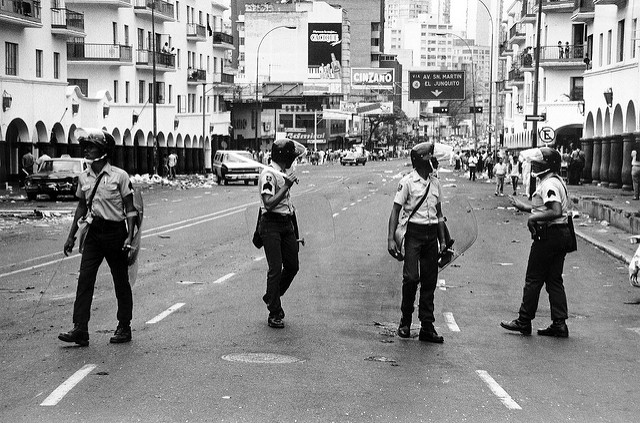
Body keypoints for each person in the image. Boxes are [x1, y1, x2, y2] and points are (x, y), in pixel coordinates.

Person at [59, 128, 137, 346]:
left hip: (115, 233)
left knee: (120, 281)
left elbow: (130, 210)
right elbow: (81, 207)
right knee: (85, 279)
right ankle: (80, 329)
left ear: (103, 150)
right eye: (85, 146)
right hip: (93, 234)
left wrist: (129, 238)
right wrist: (71, 236)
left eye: (91, 146)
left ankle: (124, 326)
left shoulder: (119, 176)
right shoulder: (83, 177)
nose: (87, 150)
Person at [501, 147, 573, 338]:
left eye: (539, 162)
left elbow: (555, 210)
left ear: (548, 165)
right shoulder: (556, 181)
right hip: (561, 234)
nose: (535, 165)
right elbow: (545, 208)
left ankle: (524, 320)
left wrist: (532, 219)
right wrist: (525, 207)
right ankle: (559, 323)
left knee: (533, 278)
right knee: (554, 280)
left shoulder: (549, 184)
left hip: (548, 236)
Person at [387, 142, 447, 343]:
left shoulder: (435, 183)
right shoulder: (407, 182)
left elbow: (439, 215)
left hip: (431, 236)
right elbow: (396, 210)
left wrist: (443, 240)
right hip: (413, 233)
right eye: (430, 160)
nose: (434, 163)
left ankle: (427, 326)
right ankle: (405, 321)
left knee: (430, 281)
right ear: (421, 163)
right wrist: (390, 239)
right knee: (411, 278)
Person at [257, 139, 305, 329]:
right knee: (276, 268)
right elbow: (268, 203)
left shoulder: (282, 173)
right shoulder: (269, 175)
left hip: (286, 223)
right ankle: (274, 312)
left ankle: (272, 295)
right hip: (271, 224)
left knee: (292, 265)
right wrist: (286, 186)